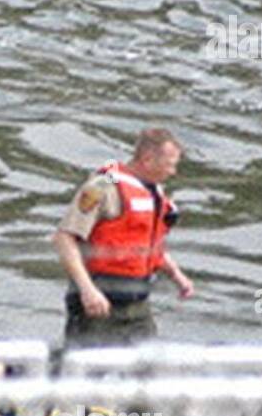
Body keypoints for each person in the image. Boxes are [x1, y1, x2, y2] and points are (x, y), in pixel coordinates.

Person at [51, 128, 195, 348]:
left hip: (138, 307)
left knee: (148, 370)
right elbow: (64, 238)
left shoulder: (155, 193)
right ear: (147, 159)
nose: (173, 172)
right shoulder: (102, 186)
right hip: (98, 305)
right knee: (86, 371)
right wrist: (88, 291)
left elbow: (146, 245)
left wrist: (176, 275)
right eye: (170, 164)